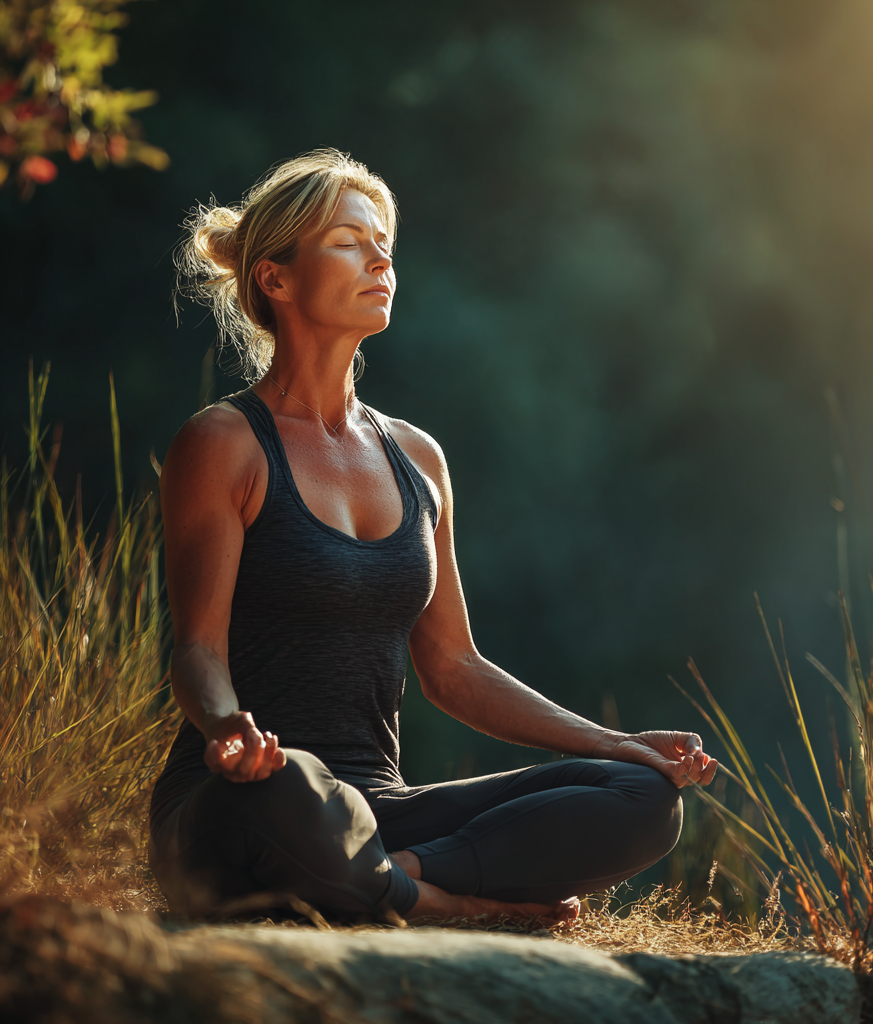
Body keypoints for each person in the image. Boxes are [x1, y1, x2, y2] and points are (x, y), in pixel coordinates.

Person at [149, 149, 718, 925]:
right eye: (348, 241)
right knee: (294, 786)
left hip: (376, 812)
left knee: (641, 796)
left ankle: (397, 881)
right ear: (275, 279)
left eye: (383, 243)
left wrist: (614, 743)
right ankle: (450, 903)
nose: (380, 258)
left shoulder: (417, 458)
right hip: (244, 802)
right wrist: (227, 730)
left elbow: (454, 668)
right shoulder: (224, 443)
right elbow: (197, 652)